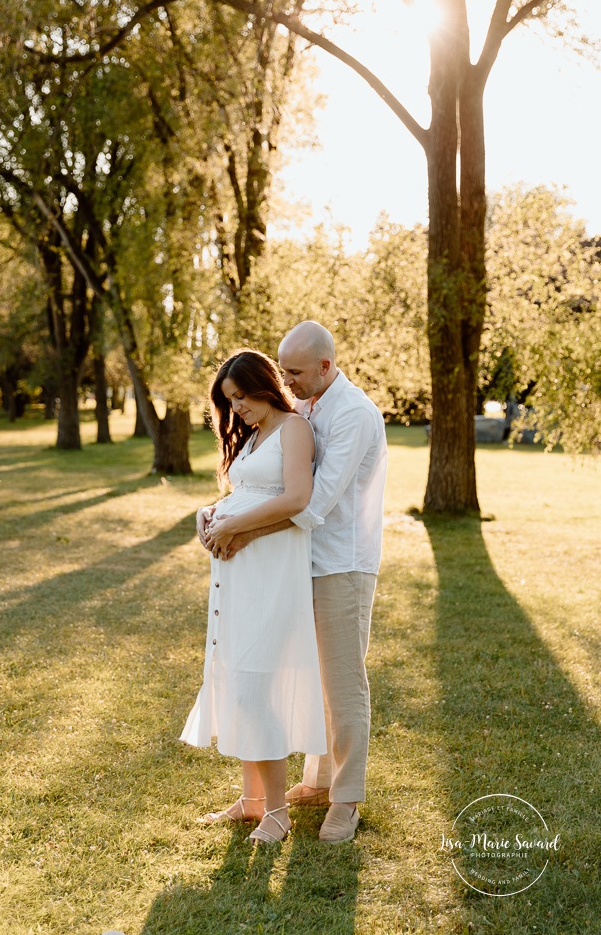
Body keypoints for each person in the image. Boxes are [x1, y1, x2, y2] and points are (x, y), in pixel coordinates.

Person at [199, 321, 387, 843]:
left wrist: (240, 529)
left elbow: (314, 502)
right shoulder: (304, 407)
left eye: (296, 372)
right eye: (282, 370)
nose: (288, 381)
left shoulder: (354, 415)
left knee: (342, 683)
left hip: (340, 562)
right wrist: (228, 518)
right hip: (293, 562)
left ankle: (346, 800)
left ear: (326, 366)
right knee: (293, 674)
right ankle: (316, 783)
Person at [181, 349, 327, 845]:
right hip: (239, 575)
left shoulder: (294, 430)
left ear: (265, 385)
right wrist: (211, 514)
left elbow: (295, 499)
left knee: (254, 687)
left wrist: (235, 524)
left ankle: (279, 813)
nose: (237, 408)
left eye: (241, 397)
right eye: (230, 401)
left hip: (271, 573)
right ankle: (252, 801)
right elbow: (246, 493)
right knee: (240, 681)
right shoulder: (255, 436)